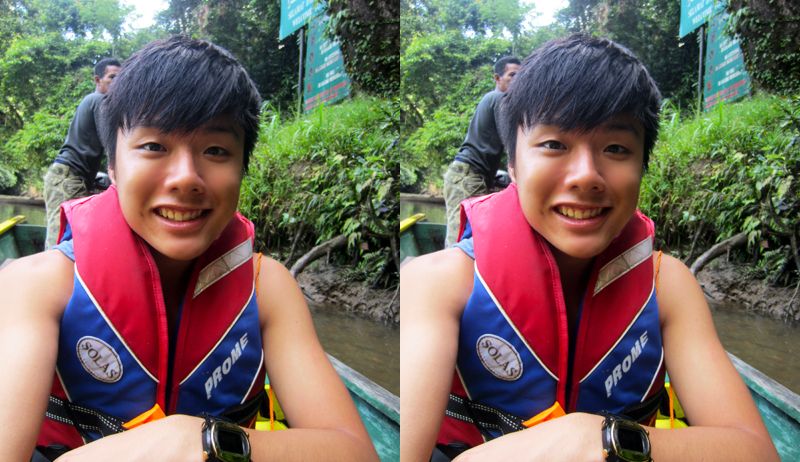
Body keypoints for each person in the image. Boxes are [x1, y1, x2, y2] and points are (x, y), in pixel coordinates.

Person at [400, 35, 779, 462]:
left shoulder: (668, 285)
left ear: (641, 167)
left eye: (616, 149)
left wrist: (599, 438)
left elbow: (756, 453)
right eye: (554, 145)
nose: (585, 176)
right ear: (513, 166)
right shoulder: (436, 283)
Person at [0, 36, 378, 462]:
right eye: (154, 147)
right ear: (113, 167)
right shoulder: (36, 286)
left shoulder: (267, 287)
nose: (185, 178)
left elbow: (356, 453)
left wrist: (202, 440)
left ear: (241, 169)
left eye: (216, 150)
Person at [43, 57, 121, 249]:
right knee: (59, 237)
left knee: (67, 235)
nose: (117, 83)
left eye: (121, 78)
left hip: (71, 177)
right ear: (97, 80)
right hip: (68, 177)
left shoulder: (94, 102)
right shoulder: (99, 101)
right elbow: (111, 146)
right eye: (112, 77)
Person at [442, 56, 520, 247]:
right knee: (460, 236)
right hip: (468, 176)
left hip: (470, 175)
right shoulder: (499, 99)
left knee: (466, 233)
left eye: (521, 76)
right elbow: (511, 143)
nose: (517, 80)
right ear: (497, 78)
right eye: (512, 75)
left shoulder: (493, 100)